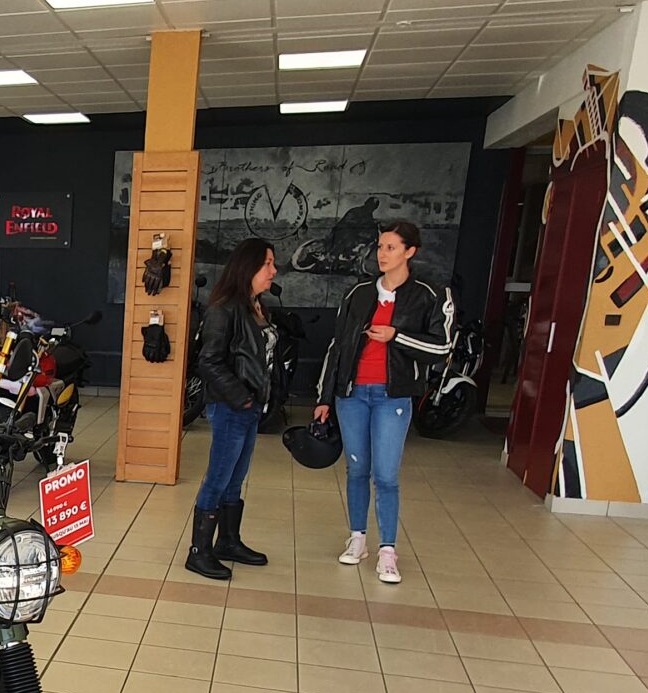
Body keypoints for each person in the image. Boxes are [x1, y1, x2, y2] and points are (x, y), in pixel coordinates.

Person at [297, 220, 455, 585]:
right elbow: (338, 347)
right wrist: (324, 397)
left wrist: (396, 336)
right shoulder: (359, 293)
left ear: (410, 252)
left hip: (392, 396)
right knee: (357, 470)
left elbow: (442, 347)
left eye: (391, 247)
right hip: (352, 394)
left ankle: (387, 551)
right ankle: (357, 538)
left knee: (385, 475)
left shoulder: (429, 294)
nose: (382, 254)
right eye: (381, 246)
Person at [184, 237, 278, 580]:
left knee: (236, 479)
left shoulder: (257, 306)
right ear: (248, 266)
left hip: (250, 407)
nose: (273, 271)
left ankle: (228, 541)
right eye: (267, 263)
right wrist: (241, 397)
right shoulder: (223, 309)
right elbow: (208, 361)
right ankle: (199, 552)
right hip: (231, 407)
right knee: (218, 478)